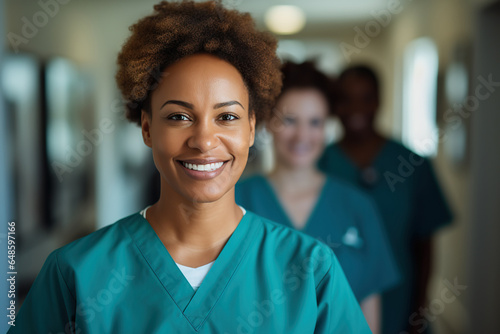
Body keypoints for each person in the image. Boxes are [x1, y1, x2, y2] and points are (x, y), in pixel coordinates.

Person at [8, 2, 371, 333]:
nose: (203, 140)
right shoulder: (77, 273)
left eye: (226, 116)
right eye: (179, 116)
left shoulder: (310, 270)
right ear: (147, 128)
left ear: (251, 129)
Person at [236, 61, 400, 334]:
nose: (302, 135)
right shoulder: (237, 201)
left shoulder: (357, 206)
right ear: (267, 122)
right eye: (289, 120)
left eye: (315, 122)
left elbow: (368, 301)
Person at [318, 65, 453, 334]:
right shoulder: (319, 163)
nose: (357, 107)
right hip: (335, 296)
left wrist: (419, 308)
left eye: (366, 97)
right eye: (346, 99)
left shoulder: (412, 163)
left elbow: (424, 243)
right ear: (335, 106)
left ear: (379, 100)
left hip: (399, 298)